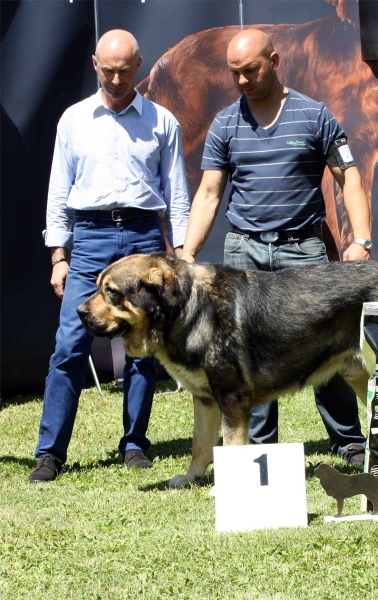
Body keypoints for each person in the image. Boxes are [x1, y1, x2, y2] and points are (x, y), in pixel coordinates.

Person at [181, 29, 371, 466]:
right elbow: (209, 192)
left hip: (303, 252)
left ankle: (350, 442)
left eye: (251, 70)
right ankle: (258, 454)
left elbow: (349, 178)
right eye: (235, 74)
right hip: (243, 254)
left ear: (275, 59)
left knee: (329, 348)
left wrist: (360, 241)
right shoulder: (226, 123)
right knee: (245, 356)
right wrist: (188, 251)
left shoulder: (315, 115)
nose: (243, 80)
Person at [29, 30, 190, 482]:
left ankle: (135, 442)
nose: (116, 78)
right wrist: (59, 255)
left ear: (138, 66)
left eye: (124, 69)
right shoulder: (74, 119)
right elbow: (58, 190)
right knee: (68, 348)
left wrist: (181, 254)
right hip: (91, 235)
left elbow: (177, 193)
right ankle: (50, 452)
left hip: (143, 236)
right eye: (107, 69)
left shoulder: (162, 121)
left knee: (141, 348)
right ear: (96, 65)